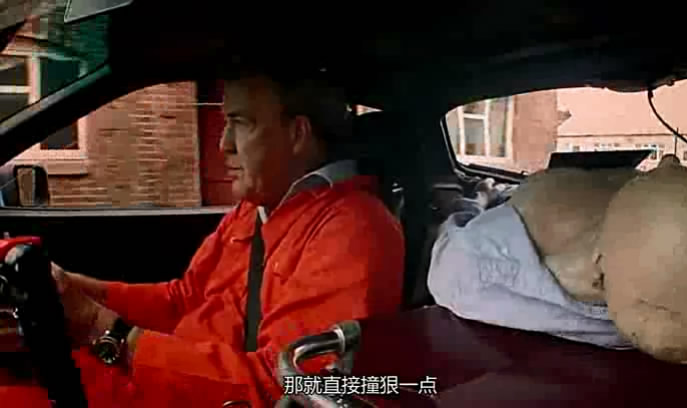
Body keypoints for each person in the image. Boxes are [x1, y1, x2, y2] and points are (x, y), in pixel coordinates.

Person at [0, 71, 405, 407]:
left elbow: (284, 388)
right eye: (226, 122)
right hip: (163, 378)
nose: (223, 144)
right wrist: (75, 290)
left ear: (298, 133)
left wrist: (100, 328)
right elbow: (182, 299)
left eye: (241, 123)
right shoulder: (257, 209)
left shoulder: (354, 230)